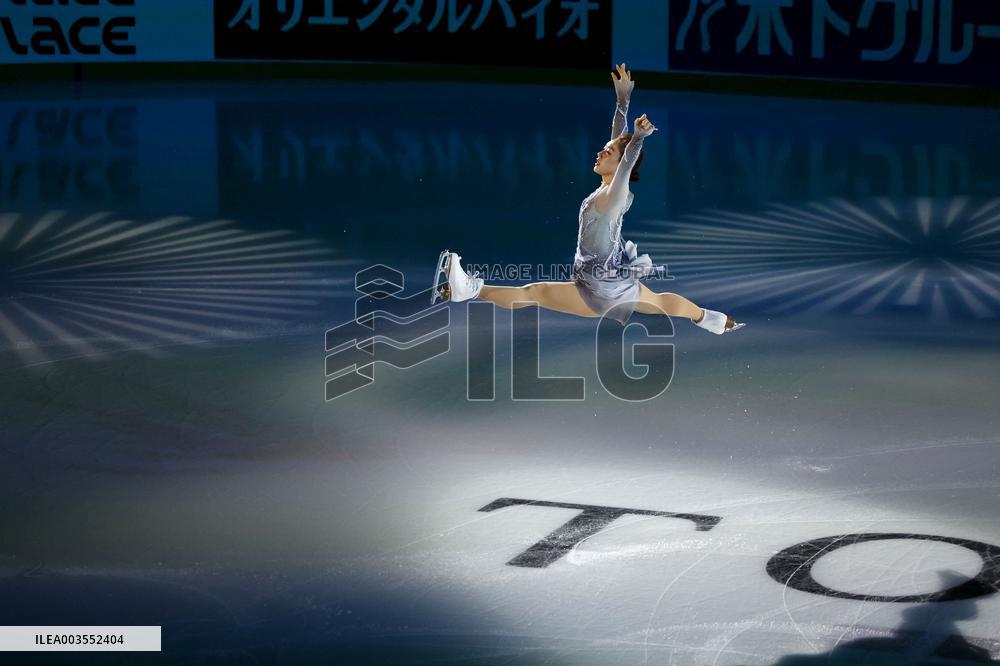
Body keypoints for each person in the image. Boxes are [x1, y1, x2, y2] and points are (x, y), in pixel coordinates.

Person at [433, 63, 745, 334]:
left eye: (607, 152)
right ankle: (712, 319)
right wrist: (623, 102)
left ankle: (470, 290)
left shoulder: (615, 192)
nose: (600, 151)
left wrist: (637, 139)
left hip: (599, 288)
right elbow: (618, 145)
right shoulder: (608, 189)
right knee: (658, 300)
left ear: (622, 163)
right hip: (613, 279)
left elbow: (625, 162)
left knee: (535, 292)